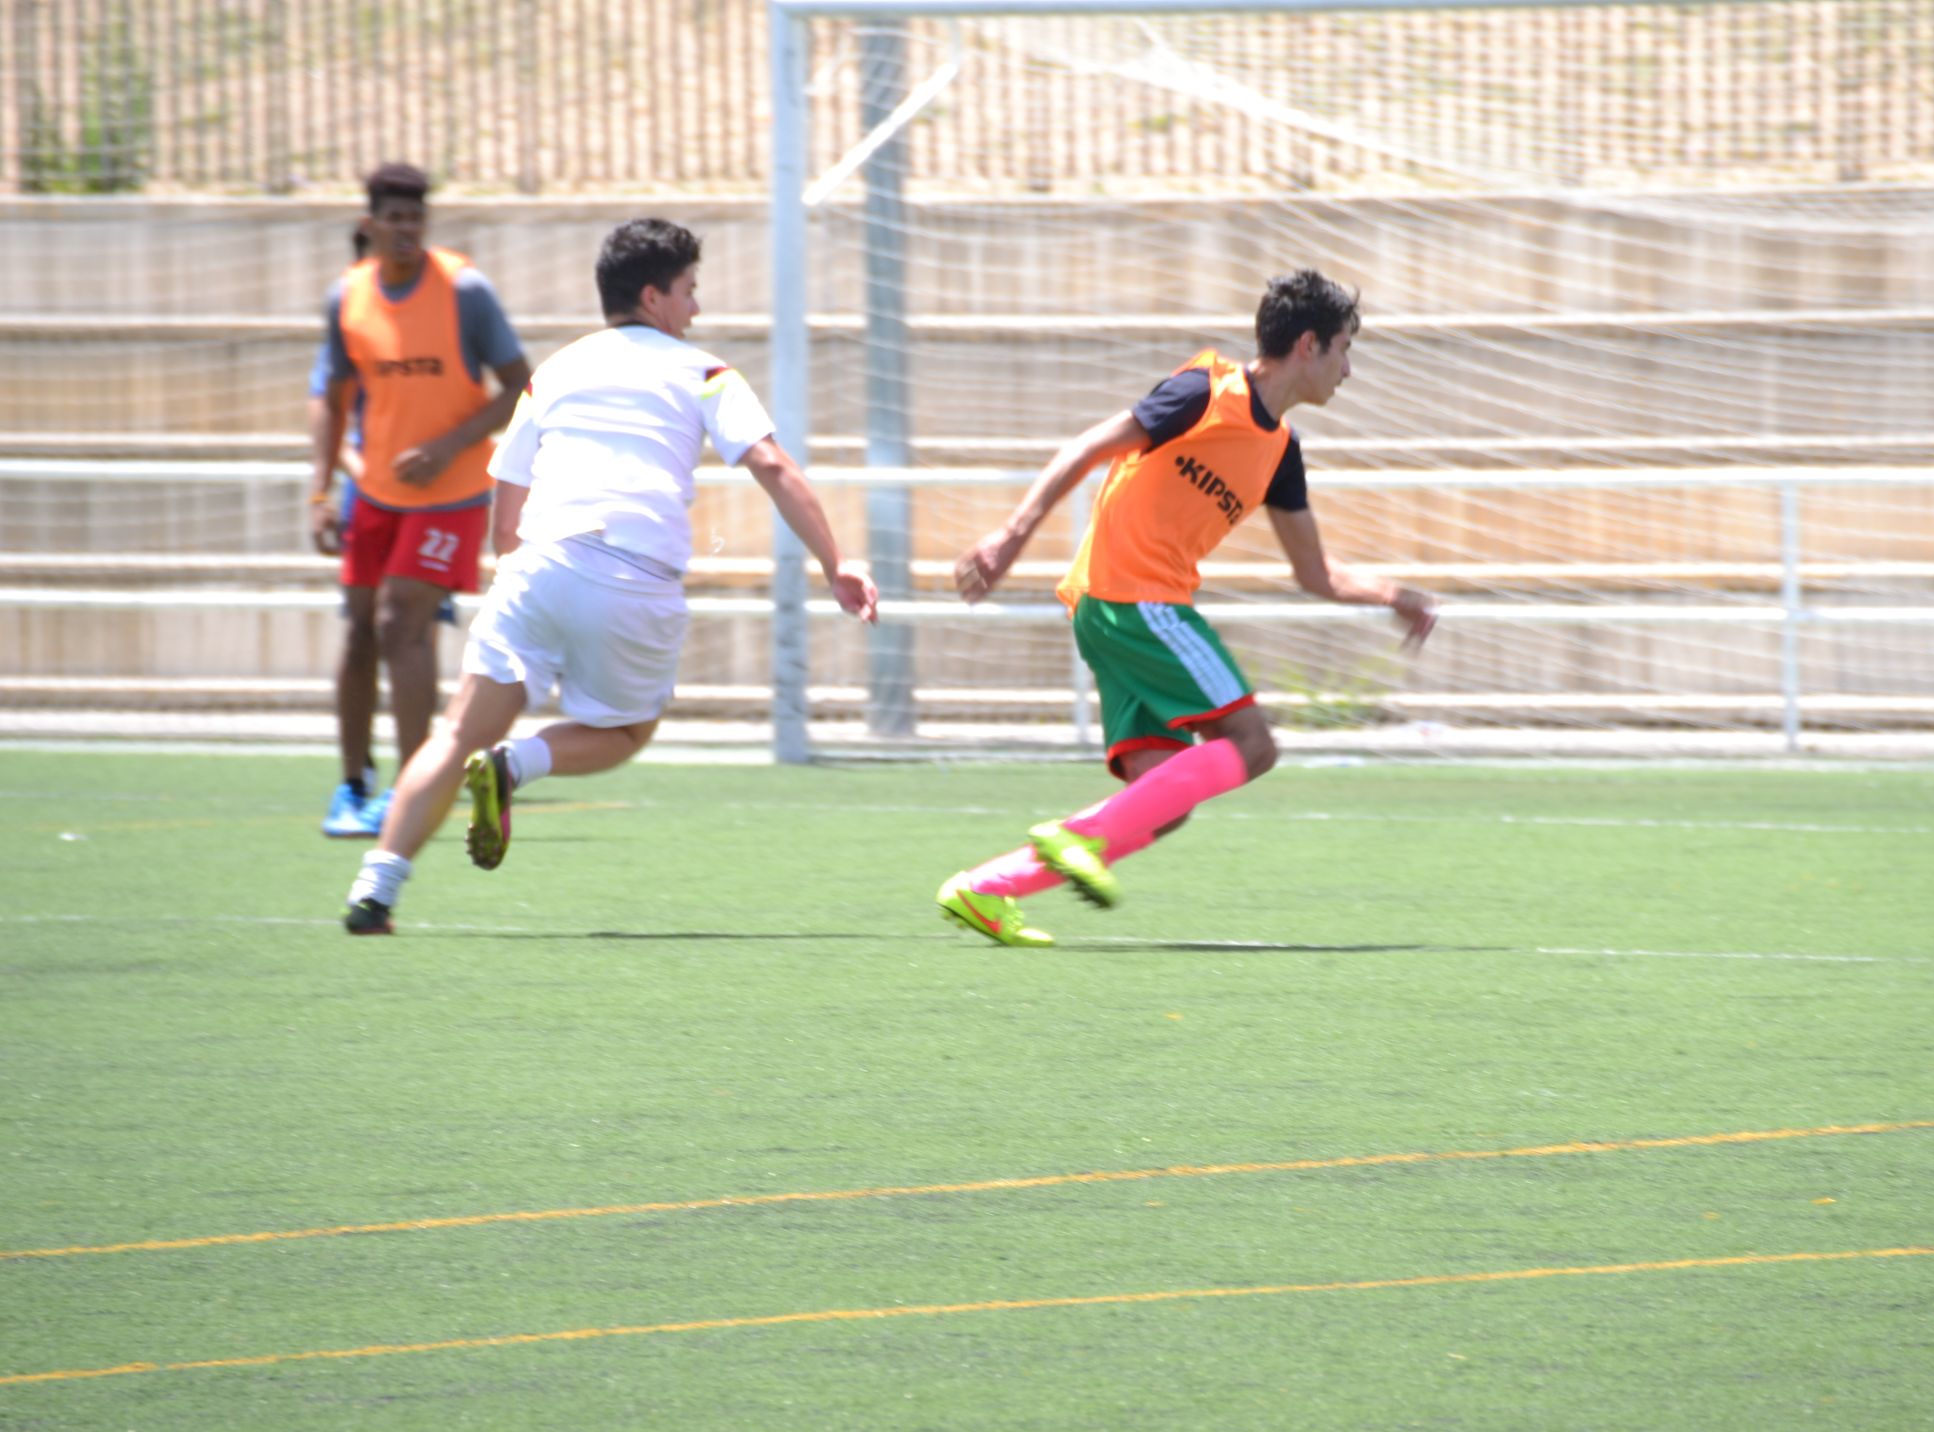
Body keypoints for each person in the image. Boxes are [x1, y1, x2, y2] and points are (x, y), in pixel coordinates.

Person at [341, 217, 878, 934]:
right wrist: (836, 564)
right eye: (689, 290)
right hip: (631, 577)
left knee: (455, 733)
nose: (696, 308)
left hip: (536, 566)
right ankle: (516, 766)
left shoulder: (554, 372)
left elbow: (508, 501)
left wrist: (524, 581)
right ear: (654, 297)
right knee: (625, 731)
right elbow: (772, 465)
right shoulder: (706, 373)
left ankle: (374, 890)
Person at [935, 269, 1437, 946]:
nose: (1348, 371)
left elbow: (1314, 573)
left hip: (1110, 610)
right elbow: (1086, 448)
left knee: (1160, 801)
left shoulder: (1281, 453)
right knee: (1253, 746)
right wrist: (1011, 535)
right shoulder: (1206, 391)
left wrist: (1393, 596)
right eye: (1344, 350)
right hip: (1137, 601)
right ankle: (1078, 835)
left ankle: (985, 889)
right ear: (1308, 345)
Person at [309, 163, 530, 838]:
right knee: (360, 629)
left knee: (401, 621)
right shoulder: (348, 296)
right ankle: (353, 784)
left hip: (452, 493)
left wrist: (448, 444)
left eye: (416, 218)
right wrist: (321, 488)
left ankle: (411, 788)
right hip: (375, 491)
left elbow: (520, 383)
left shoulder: (464, 291)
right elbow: (331, 398)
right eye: (394, 218)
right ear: (370, 223)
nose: (407, 229)